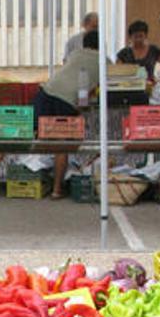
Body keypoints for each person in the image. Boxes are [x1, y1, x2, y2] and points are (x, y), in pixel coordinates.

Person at [34, 30, 100, 199]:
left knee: (28, 132)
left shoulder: (75, 53)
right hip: (68, 100)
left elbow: (67, 70)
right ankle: (56, 190)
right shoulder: (105, 62)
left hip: (47, 91)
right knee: (61, 145)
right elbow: (94, 90)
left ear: (84, 43)